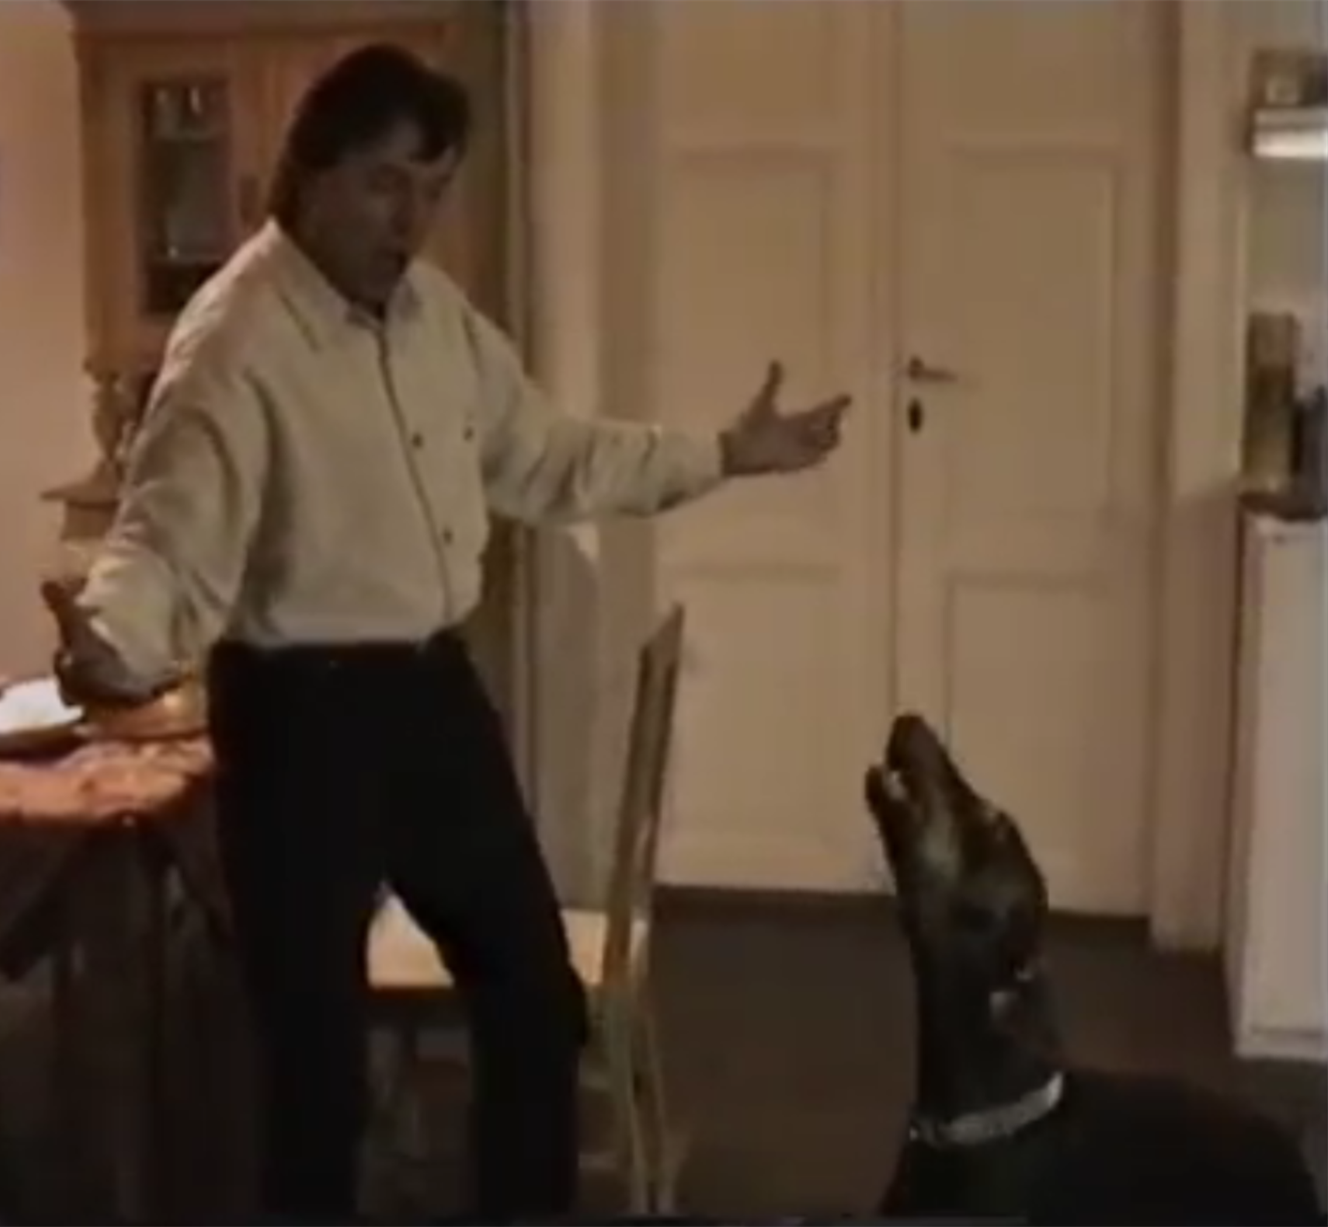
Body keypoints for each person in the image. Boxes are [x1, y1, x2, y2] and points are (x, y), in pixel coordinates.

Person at [42, 43, 851, 1219]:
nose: (410, 219)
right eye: (384, 184)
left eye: (431, 188)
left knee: (533, 999)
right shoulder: (233, 343)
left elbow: (547, 455)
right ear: (307, 175)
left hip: (430, 699)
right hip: (300, 722)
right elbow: (165, 538)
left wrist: (722, 453)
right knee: (315, 1075)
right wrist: (109, 642)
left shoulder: (434, 317)